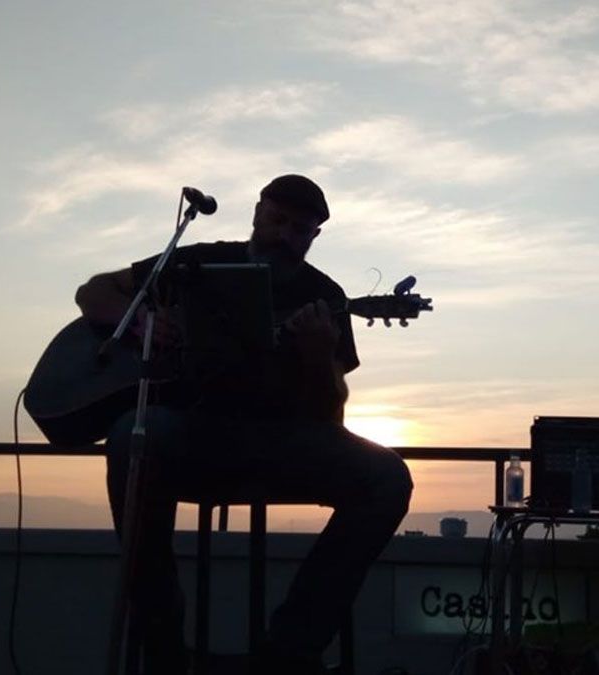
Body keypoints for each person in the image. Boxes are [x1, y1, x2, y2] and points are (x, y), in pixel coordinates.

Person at [75, 174, 414, 675]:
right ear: (257, 213)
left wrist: (320, 357)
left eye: (300, 229)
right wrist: (143, 320)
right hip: (191, 431)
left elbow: (332, 413)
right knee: (133, 438)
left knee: (387, 478)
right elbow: (93, 291)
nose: (284, 235)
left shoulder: (323, 295)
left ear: (315, 236)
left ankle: (289, 651)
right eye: (277, 220)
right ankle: (163, 646)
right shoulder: (196, 262)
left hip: (285, 443)